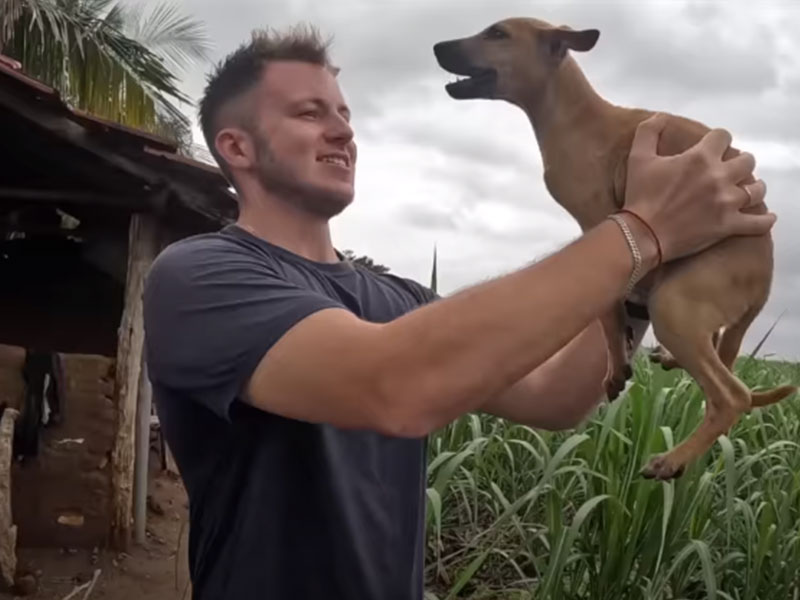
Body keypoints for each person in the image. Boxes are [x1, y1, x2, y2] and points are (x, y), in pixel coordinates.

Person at [142, 24, 775, 600]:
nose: (343, 130)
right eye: (310, 114)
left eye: (345, 113)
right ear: (238, 148)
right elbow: (394, 386)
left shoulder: (400, 301)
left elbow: (556, 399)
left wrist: (647, 275)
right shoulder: (199, 277)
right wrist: (641, 230)